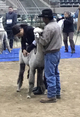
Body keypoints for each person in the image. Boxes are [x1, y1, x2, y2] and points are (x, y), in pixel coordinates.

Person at [35, 9, 62, 103]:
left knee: (49, 75)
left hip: (50, 52)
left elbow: (44, 42)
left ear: (46, 18)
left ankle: (51, 95)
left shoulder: (48, 28)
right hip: (57, 52)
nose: (42, 19)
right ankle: (57, 92)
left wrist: (38, 37)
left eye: (43, 17)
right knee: (55, 73)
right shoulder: (57, 25)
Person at [12, 24, 44, 94]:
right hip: (29, 46)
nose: (19, 36)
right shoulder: (23, 32)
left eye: (19, 34)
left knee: (39, 69)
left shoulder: (30, 30)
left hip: (36, 47)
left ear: (21, 30)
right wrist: (23, 49)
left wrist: (28, 50)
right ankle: (19, 83)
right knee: (22, 68)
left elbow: (35, 41)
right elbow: (23, 41)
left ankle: (40, 87)